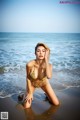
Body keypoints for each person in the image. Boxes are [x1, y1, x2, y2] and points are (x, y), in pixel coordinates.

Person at [22, 43, 59, 108]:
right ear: (35, 53)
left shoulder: (49, 65)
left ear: (46, 53)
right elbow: (28, 78)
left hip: (44, 84)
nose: (41, 53)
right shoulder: (29, 64)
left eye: (43, 51)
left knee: (56, 103)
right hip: (32, 84)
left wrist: (46, 60)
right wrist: (30, 93)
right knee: (26, 107)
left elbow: (49, 76)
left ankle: (47, 95)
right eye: (38, 51)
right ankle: (23, 95)